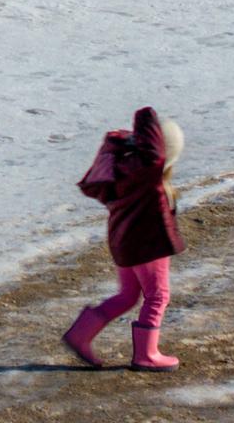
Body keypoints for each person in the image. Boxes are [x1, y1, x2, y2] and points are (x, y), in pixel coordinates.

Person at [62, 106, 185, 372]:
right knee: (157, 295)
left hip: (123, 244)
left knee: (129, 295)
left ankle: (80, 335)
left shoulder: (124, 171)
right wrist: (147, 117)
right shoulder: (149, 180)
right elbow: (154, 154)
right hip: (147, 246)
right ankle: (147, 354)